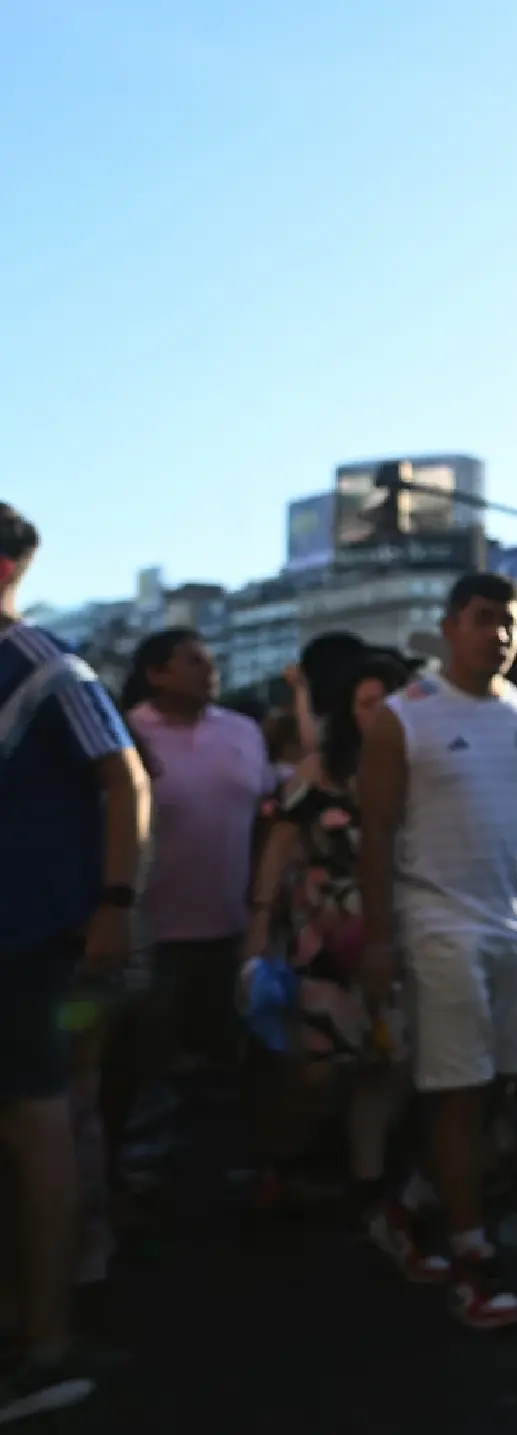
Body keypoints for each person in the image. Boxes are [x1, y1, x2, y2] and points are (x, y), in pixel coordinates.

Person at [357, 573, 517, 1331]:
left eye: (510, 621)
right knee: (458, 1093)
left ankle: (407, 1207)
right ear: (450, 626)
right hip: (439, 926)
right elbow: (378, 833)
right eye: (484, 619)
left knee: (496, 1087)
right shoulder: (402, 718)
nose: (499, 634)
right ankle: (472, 1258)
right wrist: (381, 937)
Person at [0, 503, 150, 1422]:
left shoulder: (45, 663)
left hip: (27, 940)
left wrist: (116, 904)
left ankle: (48, 1336)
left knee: (35, 1127)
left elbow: (124, 777)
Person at [239, 649, 426, 1242]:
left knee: (382, 1063)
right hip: (323, 934)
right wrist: (260, 924)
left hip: (397, 927)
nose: (380, 714)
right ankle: (282, 1161)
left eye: (389, 703)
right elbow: (279, 846)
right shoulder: (320, 768)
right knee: (316, 1067)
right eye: (368, 704)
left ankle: (366, 1180)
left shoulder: (422, 763)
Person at [123, 629, 273, 1079]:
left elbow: (266, 814)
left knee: (226, 1065)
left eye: (210, 661)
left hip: (232, 930)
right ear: (156, 674)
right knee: (140, 1062)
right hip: (150, 936)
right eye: (193, 662)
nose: (209, 671)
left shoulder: (243, 731)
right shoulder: (127, 732)